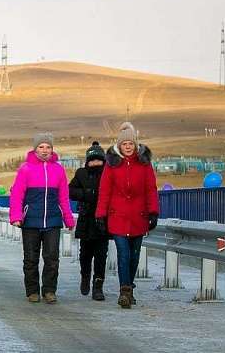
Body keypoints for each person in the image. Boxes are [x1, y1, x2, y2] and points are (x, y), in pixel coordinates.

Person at [95, 122, 159, 309]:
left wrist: (153, 212)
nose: (128, 147)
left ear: (136, 145)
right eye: (125, 144)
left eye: (131, 144)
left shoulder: (145, 165)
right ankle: (124, 291)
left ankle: (129, 287)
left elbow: (150, 189)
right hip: (118, 217)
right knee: (123, 254)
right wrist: (101, 214)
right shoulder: (112, 165)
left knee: (134, 256)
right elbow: (104, 191)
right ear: (119, 146)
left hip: (138, 217)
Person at [9, 133, 75, 304]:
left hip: (52, 221)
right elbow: (17, 195)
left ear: (52, 149)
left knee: (52, 258)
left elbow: (64, 197)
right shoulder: (25, 169)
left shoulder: (59, 170)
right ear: (35, 149)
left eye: (48, 147)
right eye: (41, 147)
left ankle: (49, 290)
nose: (45, 150)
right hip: (31, 220)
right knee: (31, 258)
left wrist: (68, 219)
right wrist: (16, 216)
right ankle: (32, 291)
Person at [69, 141, 109, 301]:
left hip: (103, 222)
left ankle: (98, 286)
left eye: (98, 160)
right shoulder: (81, 174)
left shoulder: (108, 174)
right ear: (87, 161)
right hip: (86, 220)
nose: (95, 163)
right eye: (92, 160)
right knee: (85, 254)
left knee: (101, 255)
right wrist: (86, 194)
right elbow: (70, 190)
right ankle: (85, 277)